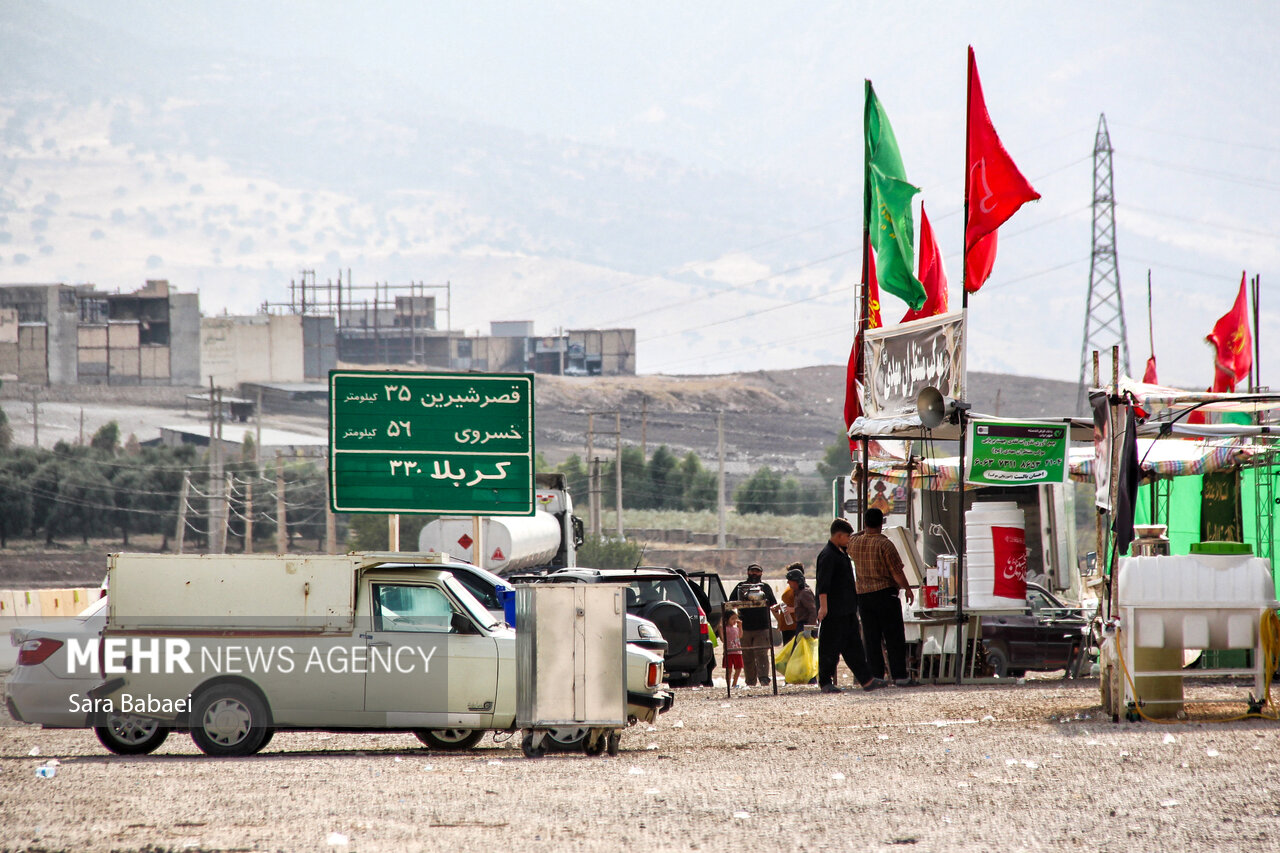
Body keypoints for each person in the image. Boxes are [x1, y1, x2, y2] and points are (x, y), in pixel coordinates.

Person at [849, 507, 920, 687]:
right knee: (894, 637)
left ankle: (876, 676)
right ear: (882, 523)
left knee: (871, 639)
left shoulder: (854, 543)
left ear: (865, 523)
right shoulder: (885, 544)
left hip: (864, 597)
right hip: (885, 595)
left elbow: (853, 536)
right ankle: (899, 676)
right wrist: (908, 589)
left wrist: (864, 530)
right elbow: (897, 573)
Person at [815, 517, 884, 694]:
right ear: (838, 536)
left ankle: (867, 680)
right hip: (833, 611)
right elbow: (823, 585)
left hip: (847, 610)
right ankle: (825, 682)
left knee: (854, 647)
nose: (849, 540)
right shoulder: (828, 555)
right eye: (847, 537)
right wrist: (823, 608)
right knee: (829, 647)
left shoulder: (841, 553)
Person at [728, 563, 778, 686]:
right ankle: (750, 681)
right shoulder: (740, 586)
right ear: (748, 572)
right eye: (752, 571)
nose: (754, 574)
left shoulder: (765, 587)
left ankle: (764, 679)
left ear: (761, 573)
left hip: (762, 627)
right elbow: (731, 603)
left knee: (761, 654)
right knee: (747, 656)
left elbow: (773, 605)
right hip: (745, 628)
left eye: (757, 571)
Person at [774, 562, 802, 645]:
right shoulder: (790, 587)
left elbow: (808, 608)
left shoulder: (802, 589)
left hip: (796, 627)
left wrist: (792, 610)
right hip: (787, 626)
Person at [723, 611, 744, 687]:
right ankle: (728, 685)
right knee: (729, 670)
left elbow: (740, 635)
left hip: (737, 651)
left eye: (736, 618)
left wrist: (740, 626)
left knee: (738, 668)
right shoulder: (726, 628)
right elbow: (723, 638)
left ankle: (734, 683)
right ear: (727, 620)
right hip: (729, 652)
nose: (735, 620)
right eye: (732, 619)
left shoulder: (736, 628)